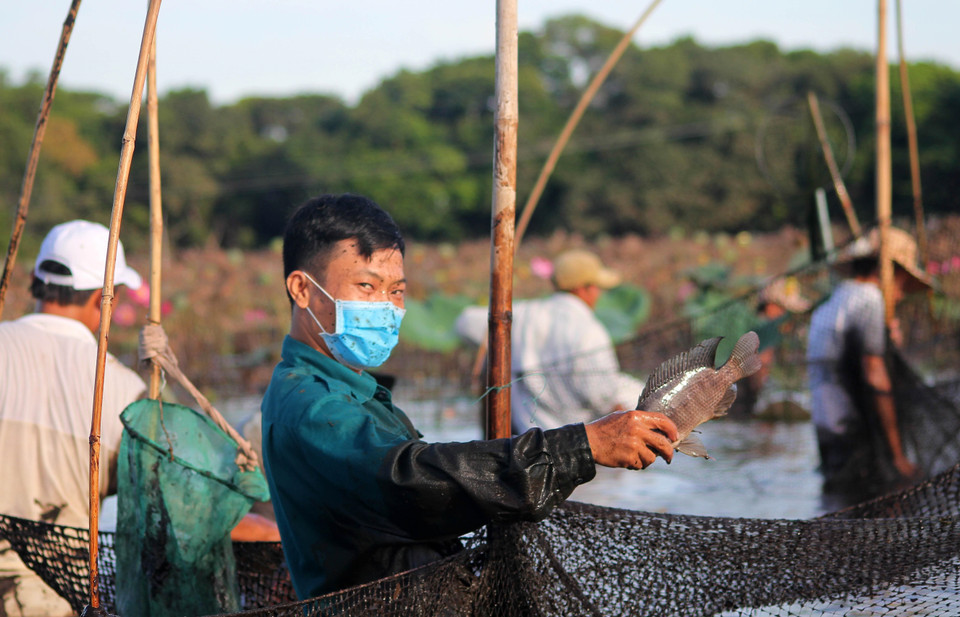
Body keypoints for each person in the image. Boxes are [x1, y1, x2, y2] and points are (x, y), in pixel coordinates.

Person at [260, 194, 679, 599]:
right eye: (366, 286)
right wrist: (580, 446)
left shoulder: (357, 391)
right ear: (302, 289)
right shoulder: (311, 403)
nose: (385, 307)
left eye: (397, 291)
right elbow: (412, 482)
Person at [0, 220, 146, 617]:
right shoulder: (123, 389)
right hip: (55, 603)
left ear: (36, 281)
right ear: (104, 298)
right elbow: (155, 504)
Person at [806, 226, 932, 504]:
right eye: (902, 285)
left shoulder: (830, 304)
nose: (901, 294)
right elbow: (875, 375)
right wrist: (898, 456)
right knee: (876, 507)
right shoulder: (869, 299)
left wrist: (887, 340)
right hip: (856, 433)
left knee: (840, 506)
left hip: (828, 432)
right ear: (888, 272)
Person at [454, 249, 644, 433]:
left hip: (529, 441)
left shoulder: (523, 314)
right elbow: (603, 398)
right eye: (596, 287)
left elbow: (464, 323)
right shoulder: (591, 332)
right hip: (579, 442)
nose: (598, 294)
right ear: (583, 288)